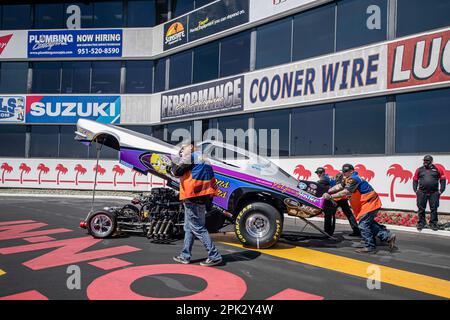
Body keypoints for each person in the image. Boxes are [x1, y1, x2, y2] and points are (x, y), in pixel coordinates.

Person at [169, 140, 223, 267]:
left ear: (192, 147)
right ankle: (185, 256)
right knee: (189, 228)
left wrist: (171, 164)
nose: (182, 151)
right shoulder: (204, 158)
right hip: (202, 197)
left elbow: (177, 171)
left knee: (198, 228)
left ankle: (214, 256)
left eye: (183, 148)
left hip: (192, 197)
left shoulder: (191, 157)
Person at [322, 164, 396, 254]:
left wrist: (330, 196)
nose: (344, 173)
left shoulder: (354, 179)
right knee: (369, 224)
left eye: (345, 171)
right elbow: (339, 186)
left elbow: (346, 191)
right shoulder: (348, 179)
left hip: (370, 202)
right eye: (343, 171)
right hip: (367, 203)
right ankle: (387, 236)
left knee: (363, 225)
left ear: (352, 171)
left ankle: (369, 246)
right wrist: (327, 191)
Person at [315, 167, 361, 236]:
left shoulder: (324, 178)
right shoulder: (331, 177)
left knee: (328, 215)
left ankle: (327, 232)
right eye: (317, 173)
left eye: (319, 173)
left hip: (334, 199)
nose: (318, 175)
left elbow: (318, 186)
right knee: (349, 214)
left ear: (323, 173)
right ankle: (356, 230)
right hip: (342, 198)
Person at [413, 155, 446, 231]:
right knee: (421, 208)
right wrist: (416, 190)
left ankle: (433, 223)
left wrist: (441, 190)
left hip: (434, 193)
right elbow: (415, 180)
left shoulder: (438, 169)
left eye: (427, 161)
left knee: (434, 208)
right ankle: (421, 223)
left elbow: (442, 180)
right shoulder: (419, 170)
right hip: (422, 192)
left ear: (431, 161)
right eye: (424, 161)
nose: (425, 162)